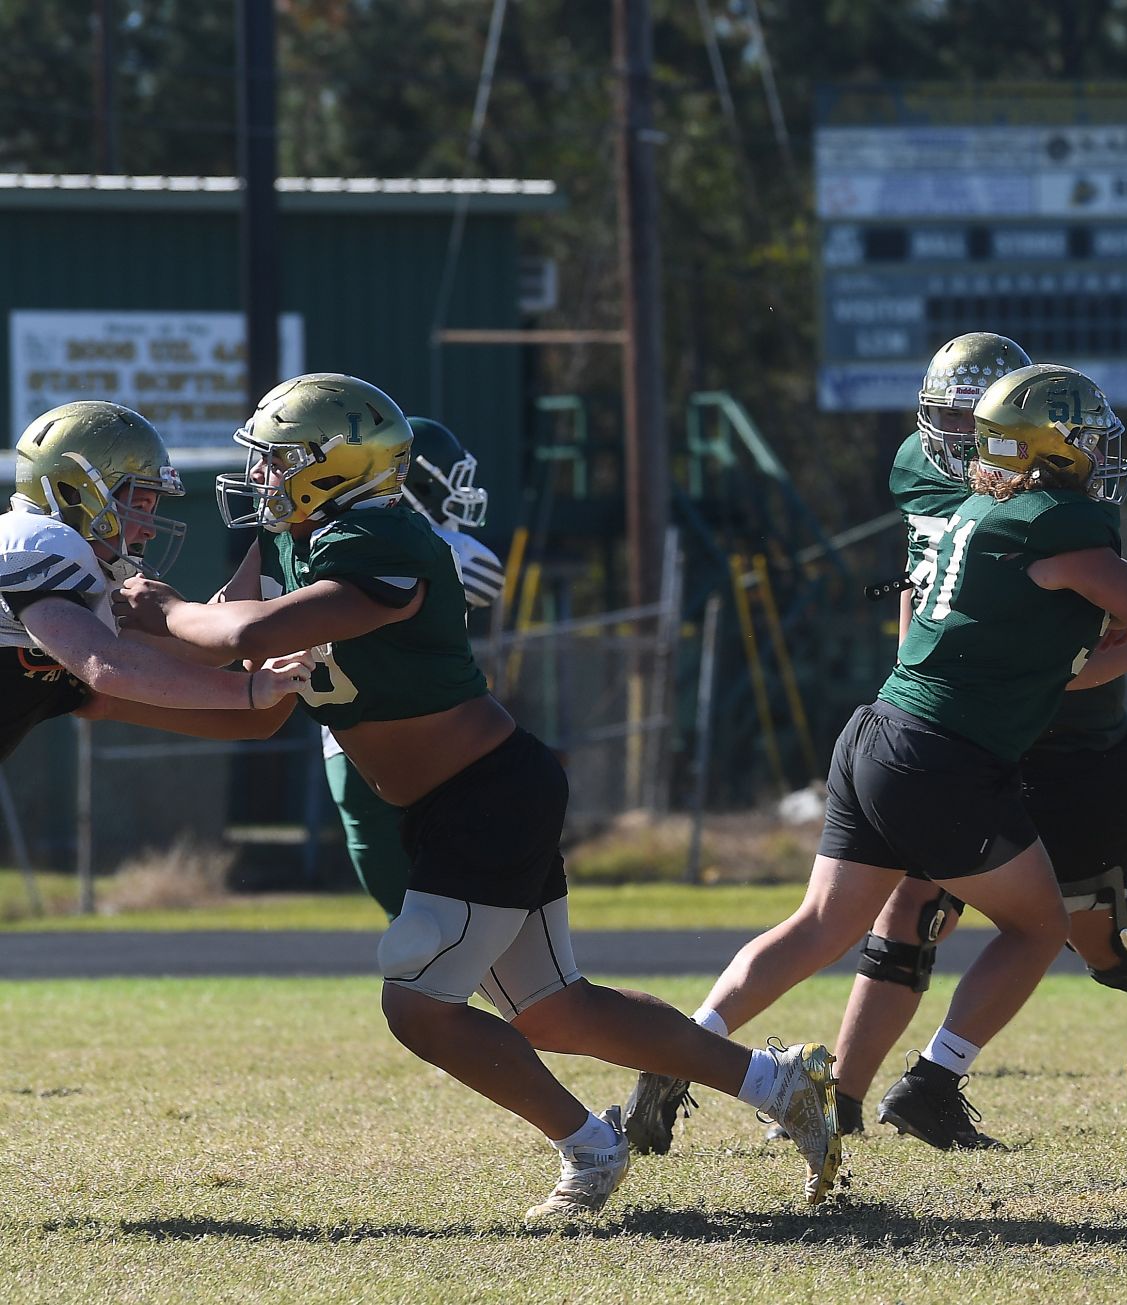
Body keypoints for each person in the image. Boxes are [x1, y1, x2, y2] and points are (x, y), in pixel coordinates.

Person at [117, 373, 840, 1219]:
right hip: (460, 798)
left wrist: (158, 608)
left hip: (485, 793)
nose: (264, 478)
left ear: (336, 467)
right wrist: (100, 624)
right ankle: (776, 1082)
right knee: (556, 1008)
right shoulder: (293, 535)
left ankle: (590, 1145)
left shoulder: (385, 538)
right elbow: (214, 637)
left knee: (416, 1002)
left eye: (279, 462)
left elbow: (241, 633)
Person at [627, 335, 1127, 1152]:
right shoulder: (1058, 521)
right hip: (948, 757)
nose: (1102, 454)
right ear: (1050, 450)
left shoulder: (967, 502)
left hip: (877, 729)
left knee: (820, 922)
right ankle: (934, 1080)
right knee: (1041, 926)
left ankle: (682, 1047)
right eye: (1088, 439)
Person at [0, 401, 310, 751]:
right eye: (139, 505)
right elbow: (105, 664)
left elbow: (200, 649)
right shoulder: (32, 540)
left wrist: (274, 539)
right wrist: (249, 690)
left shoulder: (81, 583)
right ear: (76, 494)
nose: (148, 529)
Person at [318, 416, 505, 919]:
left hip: (401, 729)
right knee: (426, 917)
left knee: (449, 921)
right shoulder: (377, 540)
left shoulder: (428, 542)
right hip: (380, 732)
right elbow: (483, 572)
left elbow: (487, 576)